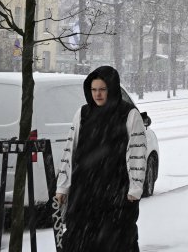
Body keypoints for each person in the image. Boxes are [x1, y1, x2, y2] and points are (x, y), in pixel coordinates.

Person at [55, 65, 146, 252]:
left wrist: (135, 189)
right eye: (94, 90)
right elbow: (69, 150)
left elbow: (137, 151)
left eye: (102, 89)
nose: (98, 94)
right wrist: (63, 186)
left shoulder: (128, 114)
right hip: (84, 191)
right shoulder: (83, 114)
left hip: (116, 193)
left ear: (111, 89)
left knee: (116, 240)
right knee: (81, 240)